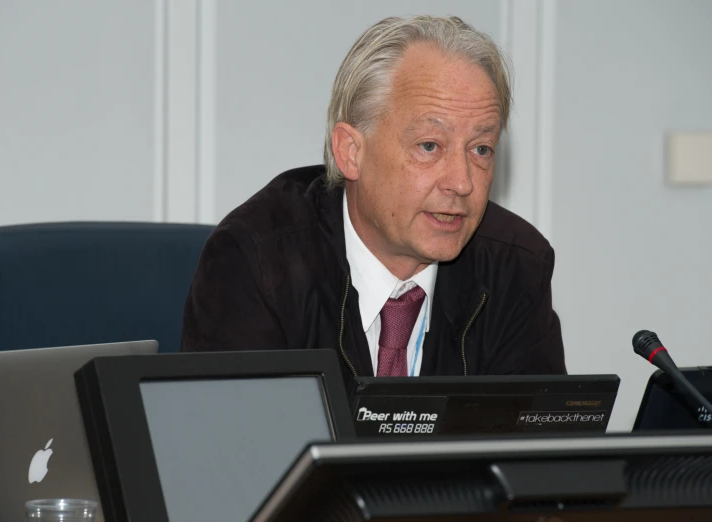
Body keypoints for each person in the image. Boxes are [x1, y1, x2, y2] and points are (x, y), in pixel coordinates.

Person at [181, 15, 566, 393]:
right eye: (429, 146)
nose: (462, 183)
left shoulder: (515, 269)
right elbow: (234, 449)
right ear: (351, 152)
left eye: (481, 149)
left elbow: (534, 452)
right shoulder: (258, 264)